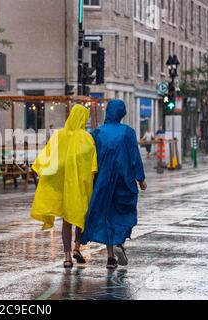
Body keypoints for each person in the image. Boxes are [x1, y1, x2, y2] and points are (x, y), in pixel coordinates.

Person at [82, 99, 147, 269]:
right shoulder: (128, 132)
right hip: (123, 180)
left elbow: (91, 158)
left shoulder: (98, 133)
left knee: (107, 216)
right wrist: (141, 179)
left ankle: (111, 256)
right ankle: (120, 241)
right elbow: (134, 157)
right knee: (123, 213)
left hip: (103, 181)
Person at [31, 104, 98, 268]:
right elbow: (93, 166)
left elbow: (47, 159)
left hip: (62, 188)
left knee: (66, 222)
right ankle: (76, 248)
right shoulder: (87, 138)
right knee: (81, 218)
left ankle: (67, 257)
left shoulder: (58, 136)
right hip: (81, 188)